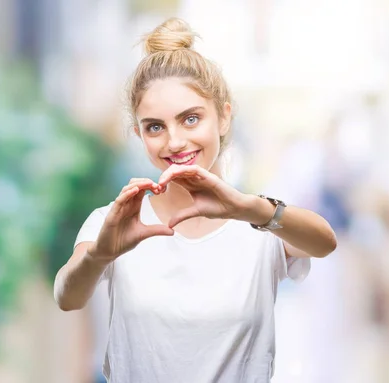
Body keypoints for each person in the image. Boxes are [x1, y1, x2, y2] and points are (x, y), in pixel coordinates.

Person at [53, 17, 337, 383]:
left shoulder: (260, 222)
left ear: (223, 116)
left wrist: (246, 208)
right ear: (139, 133)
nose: (174, 142)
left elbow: (325, 242)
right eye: (155, 126)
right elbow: (67, 296)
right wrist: (99, 255)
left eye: (190, 119)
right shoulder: (115, 221)